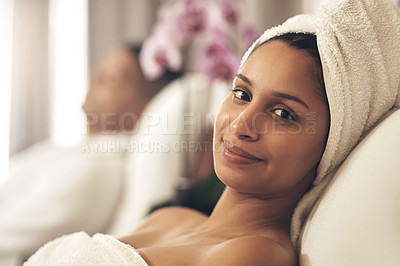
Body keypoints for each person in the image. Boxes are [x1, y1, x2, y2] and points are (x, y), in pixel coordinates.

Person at [23, 0, 400, 265]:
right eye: (241, 93)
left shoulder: (256, 255)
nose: (240, 124)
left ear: (330, 145)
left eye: (283, 113)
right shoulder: (170, 218)